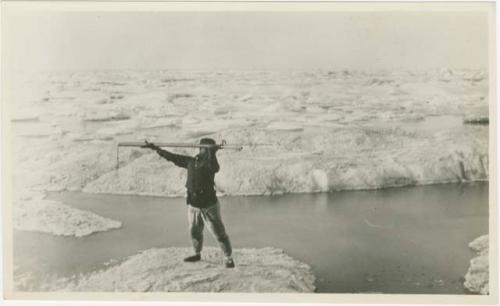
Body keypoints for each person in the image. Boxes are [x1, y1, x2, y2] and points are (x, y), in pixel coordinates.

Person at [141, 138, 235, 268]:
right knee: (194, 232)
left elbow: (215, 167)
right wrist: (156, 149)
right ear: (200, 148)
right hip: (193, 205)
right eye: (205, 148)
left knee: (218, 232)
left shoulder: (209, 164)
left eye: (208, 149)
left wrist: (213, 152)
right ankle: (197, 253)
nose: (205, 151)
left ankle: (228, 258)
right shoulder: (190, 162)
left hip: (209, 206)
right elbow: (172, 157)